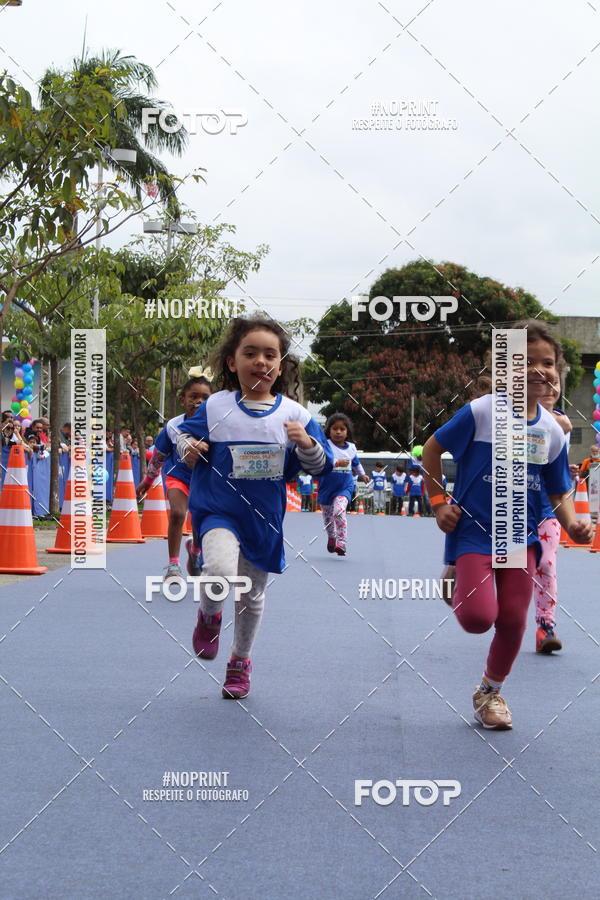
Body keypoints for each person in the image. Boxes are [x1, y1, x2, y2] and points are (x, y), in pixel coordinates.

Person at [422, 320, 594, 730]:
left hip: (520, 538)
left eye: (548, 362)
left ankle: (490, 693)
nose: (539, 370)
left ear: (558, 372)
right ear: (504, 370)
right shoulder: (481, 413)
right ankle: (457, 577)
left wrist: (572, 524)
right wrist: (437, 502)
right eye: (525, 361)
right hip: (474, 533)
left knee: (514, 619)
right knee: (479, 618)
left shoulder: (552, 431)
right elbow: (432, 449)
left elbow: (559, 488)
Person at [177, 314, 333, 699]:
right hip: (219, 510)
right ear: (233, 362)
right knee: (218, 568)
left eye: (270, 355)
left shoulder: (295, 416)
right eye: (250, 353)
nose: (260, 362)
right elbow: (178, 435)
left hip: (263, 518)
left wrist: (308, 445)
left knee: (250, 594)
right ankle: (210, 617)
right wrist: (190, 449)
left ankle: (239, 662)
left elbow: (322, 466)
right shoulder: (215, 407)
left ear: (280, 367)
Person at [136, 377, 213, 582]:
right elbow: (159, 457)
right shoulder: (173, 426)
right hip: (177, 476)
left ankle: (195, 550)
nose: (198, 401)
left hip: (204, 481)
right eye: (193, 396)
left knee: (200, 521)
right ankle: (173, 565)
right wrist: (147, 481)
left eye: (205, 397)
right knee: (178, 513)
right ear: (182, 400)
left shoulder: (217, 426)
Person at [534, 381, 573, 654]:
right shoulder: (509, 417)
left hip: (549, 505)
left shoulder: (562, 420)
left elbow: (562, 427)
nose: (549, 387)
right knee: (512, 568)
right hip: (513, 504)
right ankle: (507, 621)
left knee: (546, 563)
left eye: (554, 382)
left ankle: (546, 625)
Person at [317, 413, 369, 554]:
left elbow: (356, 464)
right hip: (326, 487)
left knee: (339, 511)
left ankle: (342, 542)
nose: (338, 432)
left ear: (347, 432)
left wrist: (362, 475)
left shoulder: (351, 448)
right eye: (335, 428)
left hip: (344, 486)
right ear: (329, 430)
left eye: (342, 429)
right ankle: (332, 536)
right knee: (328, 519)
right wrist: (337, 463)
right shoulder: (325, 445)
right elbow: (321, 462)